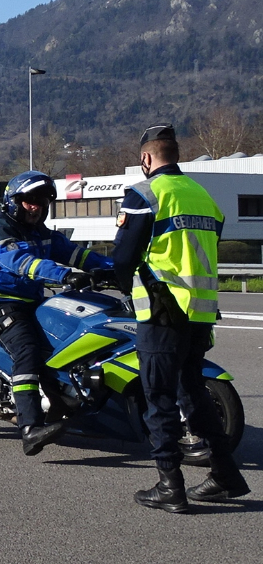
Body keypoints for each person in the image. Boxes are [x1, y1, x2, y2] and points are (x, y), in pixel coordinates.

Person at [113, 124, 249, 513]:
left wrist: (123, 285)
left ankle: (169, 485)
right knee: (193, 392)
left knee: (158, 398)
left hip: (162, 312)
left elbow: (124, 257)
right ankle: (225, 475)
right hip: (200, 312)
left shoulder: (146, 194)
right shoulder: (202, 195)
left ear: (146, 158)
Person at [0, 171, 113, 456]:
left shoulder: (42, 234)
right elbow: (20, 262)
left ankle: (63, 404)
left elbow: (76, 254)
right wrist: (64, 275)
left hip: (32, 301)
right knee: (26, 350)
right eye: (30, 200)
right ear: (13, 201)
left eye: (42, 201)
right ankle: (30, 427)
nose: (36, 206)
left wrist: (114, 268)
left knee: (64, 341)